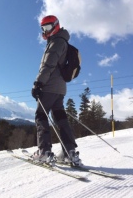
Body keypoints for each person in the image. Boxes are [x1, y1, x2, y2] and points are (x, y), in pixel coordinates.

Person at [31, 15, 81, 166]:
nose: (45, 31)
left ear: (56, 26)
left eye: (47, 27)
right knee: (60, 118)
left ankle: (44, 151)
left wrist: (38, 83)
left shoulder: (56, 42)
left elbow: (48, 65)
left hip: (49, 87)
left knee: (41, 115)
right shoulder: (62, 41)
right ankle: (69, 152)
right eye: (43, 28)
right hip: (60, 89)